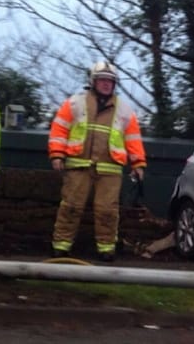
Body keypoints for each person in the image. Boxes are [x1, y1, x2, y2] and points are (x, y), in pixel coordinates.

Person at [48, 61, 147, 262]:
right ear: (93, 81)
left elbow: (133, 139)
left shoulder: (125, 110)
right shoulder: (75, 103)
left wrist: (138, 164)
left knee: (107, 211)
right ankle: (61, 246)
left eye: (110, 81)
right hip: (78, 165)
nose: (106, 84)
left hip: (110, 169)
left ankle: (106, 249)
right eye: (102, 80)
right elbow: (59, 130)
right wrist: (57, 154)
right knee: (71, 207)